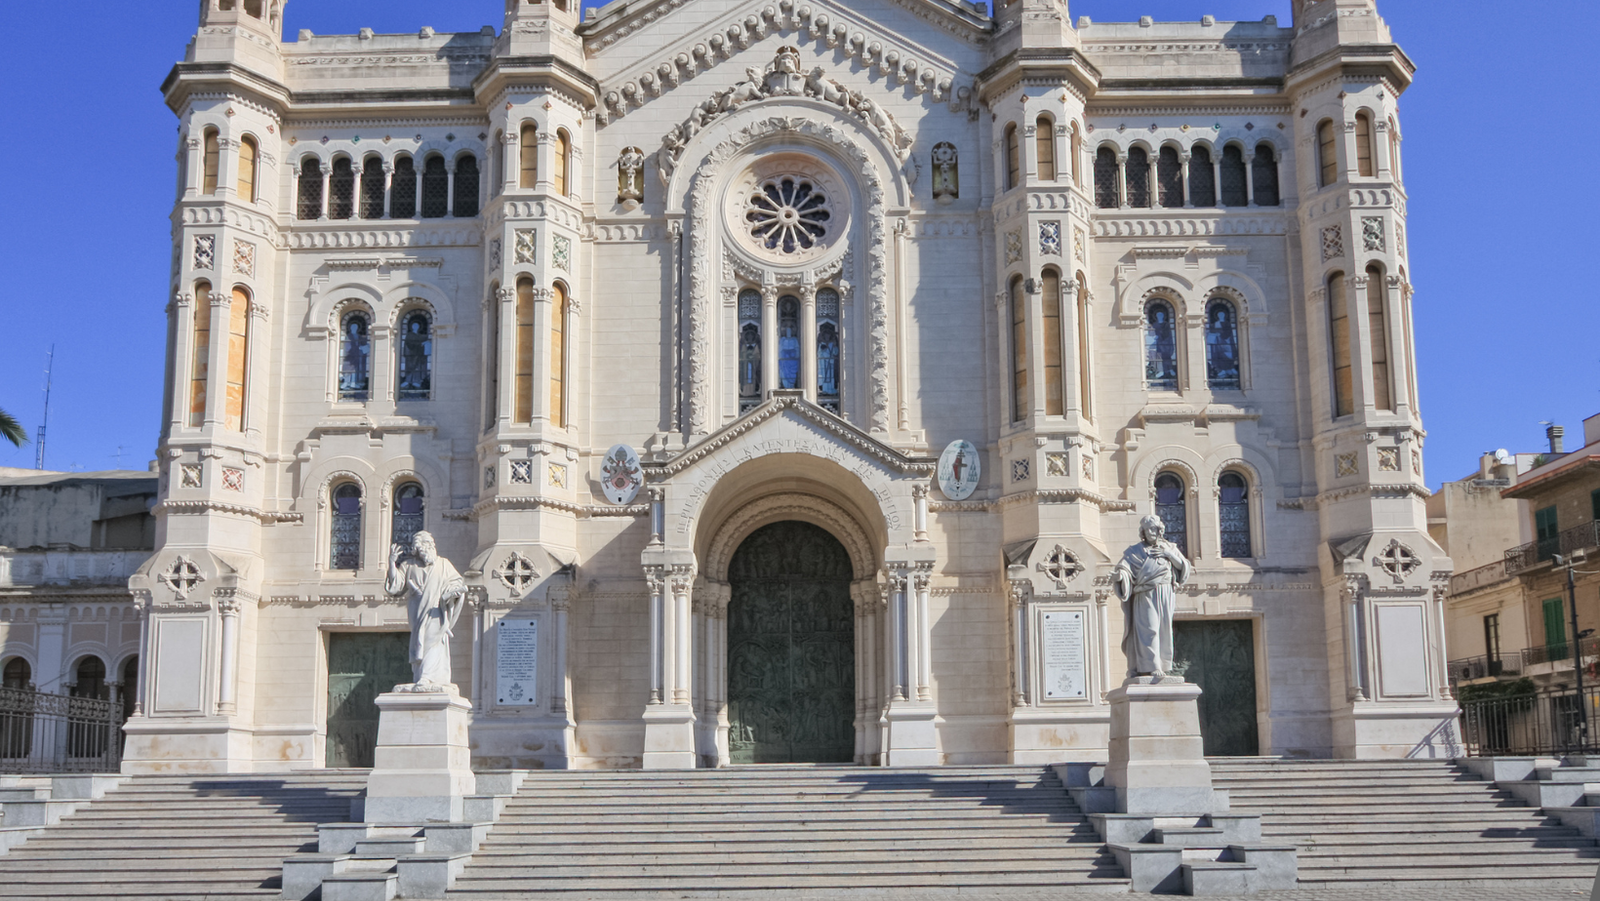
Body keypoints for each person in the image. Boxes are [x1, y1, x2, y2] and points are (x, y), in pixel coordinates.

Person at [384, 531, 466, 692]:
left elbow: (456, 582)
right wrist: (392, 564)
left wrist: (453, 592)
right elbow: (395, 586)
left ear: (430, 546)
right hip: (418, 613)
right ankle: (421, 675)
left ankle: (427, 677)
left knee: (433, 641)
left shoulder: (444, 564)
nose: (423, 552)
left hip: (437, 611)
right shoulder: (408, 565)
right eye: (419, 550)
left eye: (424, 548)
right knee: (420, 642)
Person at [1112, 514, 1191, 679]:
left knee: (1163, 630)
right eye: (1147, 529)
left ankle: (1164, 665)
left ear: (1159, 529)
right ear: (1142, 531)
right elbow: (1123, 568)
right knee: (1149, 629)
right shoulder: (1134, 551)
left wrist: (1169, 555)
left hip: (1165, 592)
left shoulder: (1170, 547)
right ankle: (1152, 666)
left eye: (1153, 529)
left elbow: (1184, 568)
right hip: (1145, 595)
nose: (1150, 532)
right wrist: (1120, 576)